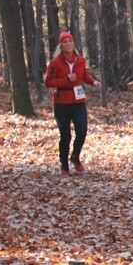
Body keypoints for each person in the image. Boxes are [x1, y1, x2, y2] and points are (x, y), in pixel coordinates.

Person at [43, 31, 103, 174]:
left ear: (74, 43)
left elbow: (84, 75)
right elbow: (47, 82)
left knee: (82, 131)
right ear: (61, 45)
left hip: (78, 101)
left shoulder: (80, 60)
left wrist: (93, 81)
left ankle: (75, 157)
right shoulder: (55, 62)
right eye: (65, 42)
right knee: (65, 136)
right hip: (61, 103)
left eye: (70, 41)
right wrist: (66, 80)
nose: (68, 44)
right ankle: (64, 164)